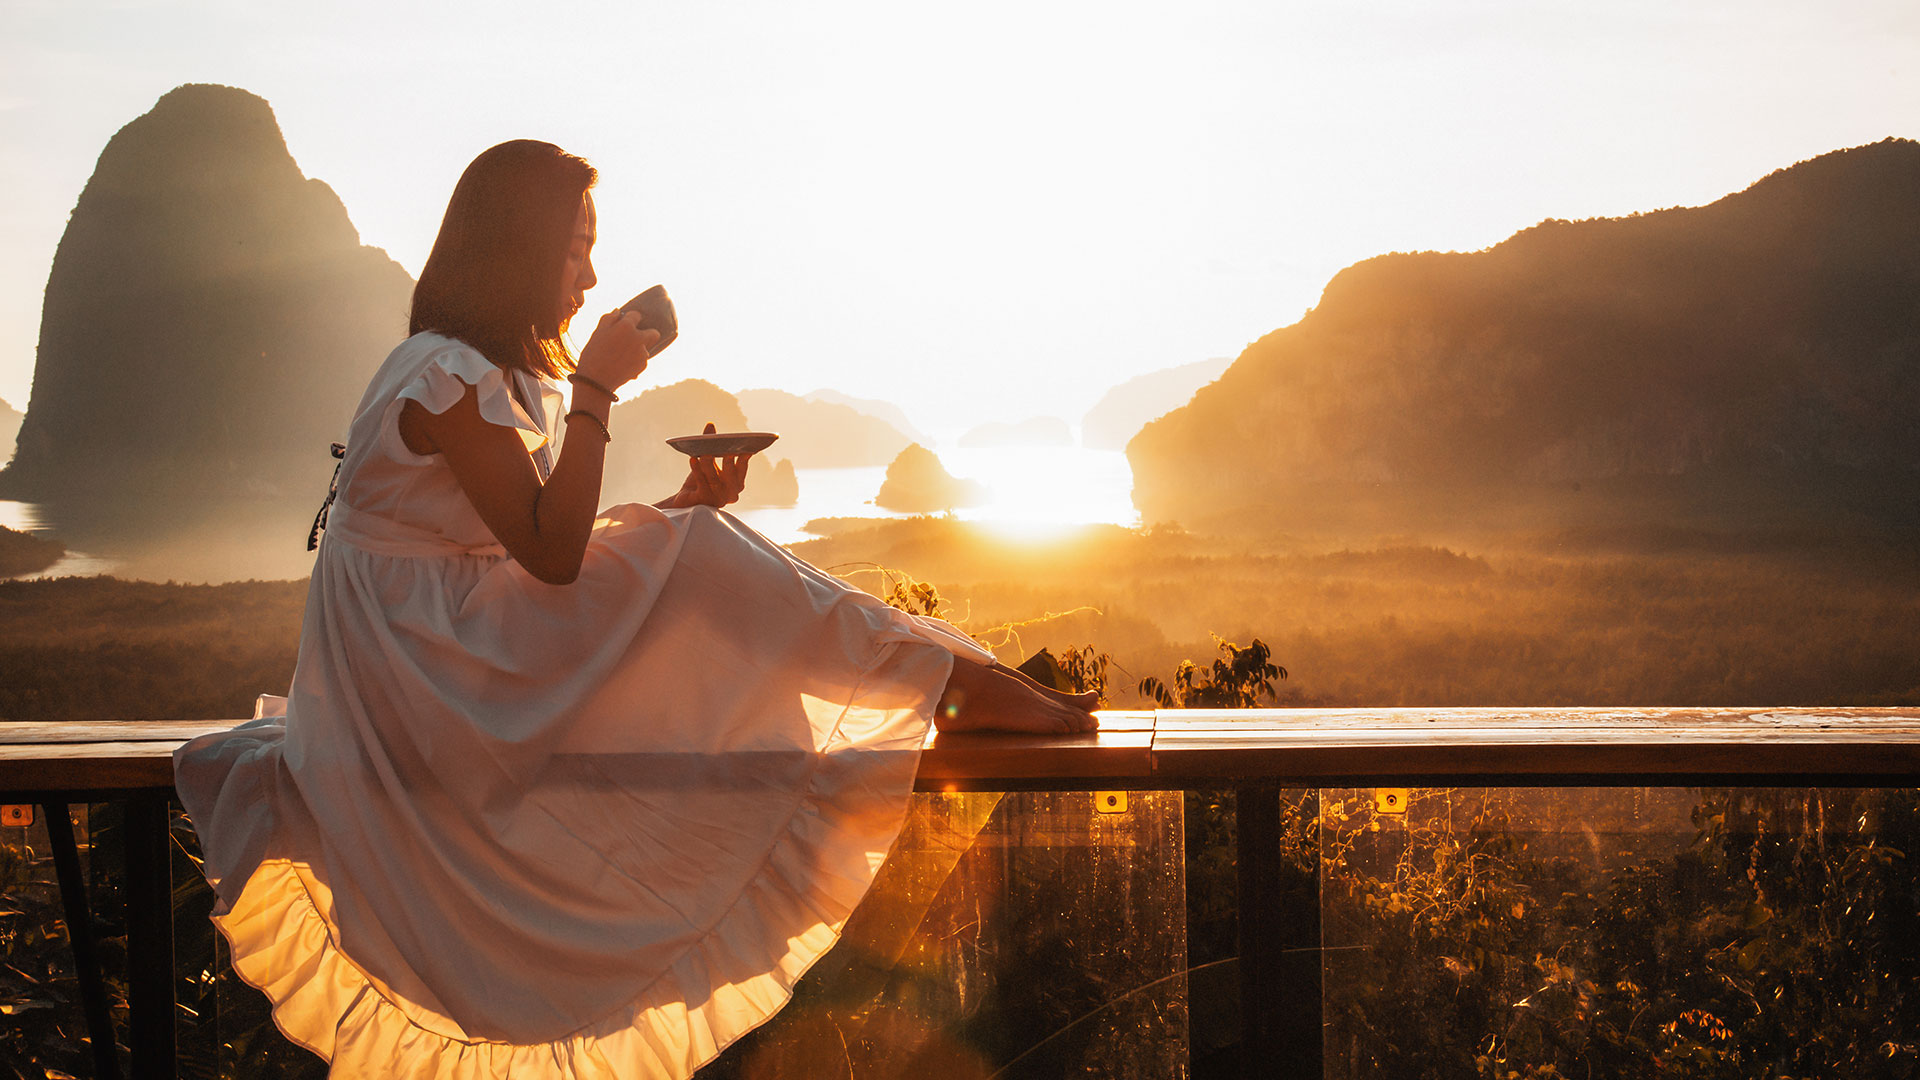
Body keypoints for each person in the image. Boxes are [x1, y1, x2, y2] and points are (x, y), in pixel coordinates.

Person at [174, 139, 1097, 1079]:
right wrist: (599, 388)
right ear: (517, 251)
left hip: (452, 650)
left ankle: (939, 675)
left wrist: (679, 505)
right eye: (574, 249)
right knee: (692, 560)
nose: (589, 276)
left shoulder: (465, 374)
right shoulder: (441, 375)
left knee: (688, 545)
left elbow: (531, 544)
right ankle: (943, 684)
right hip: (426, 681)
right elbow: (550, 551)